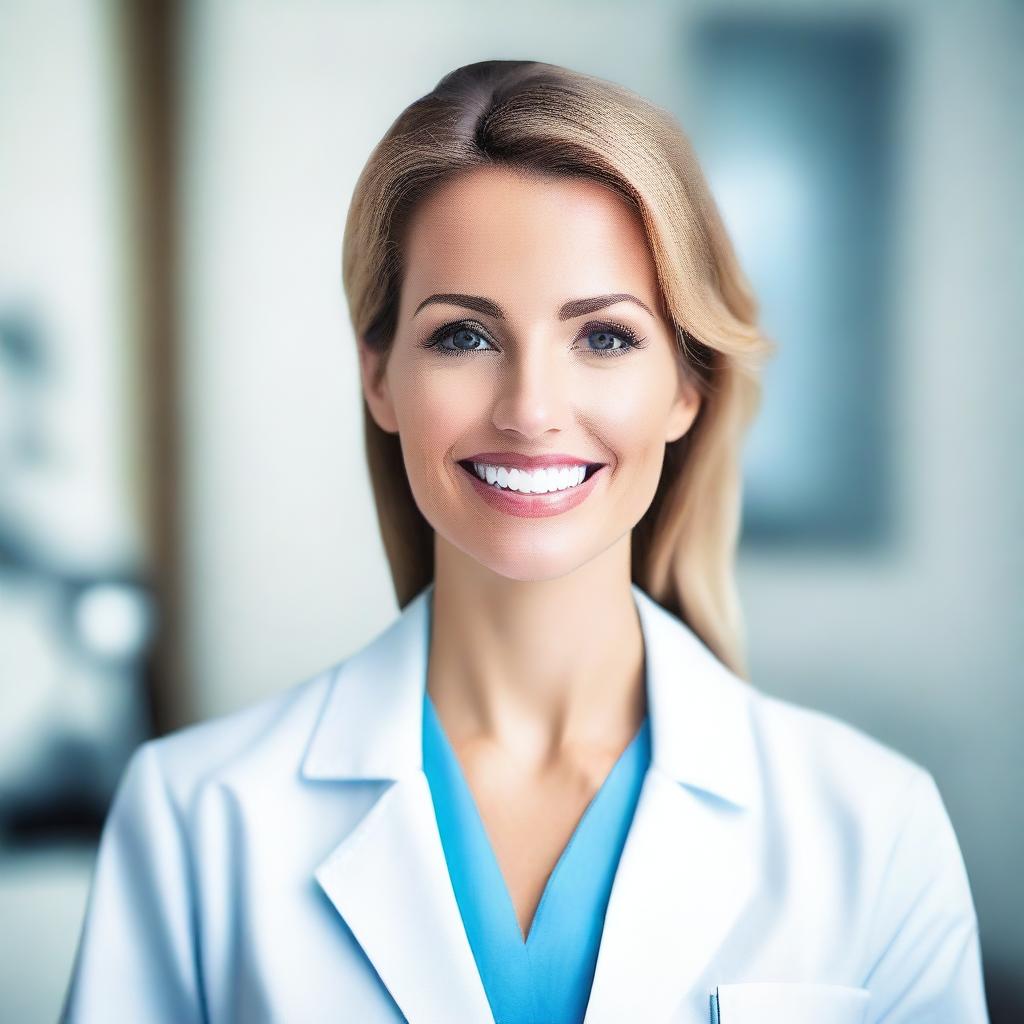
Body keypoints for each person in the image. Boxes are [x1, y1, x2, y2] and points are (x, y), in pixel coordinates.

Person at [61, 59, 988, 1024]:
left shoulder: (876, 829)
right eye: (464, 336)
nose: (531, 411)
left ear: (686, 384)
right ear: (378, 375)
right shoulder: (194, 820)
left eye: (605, 338)